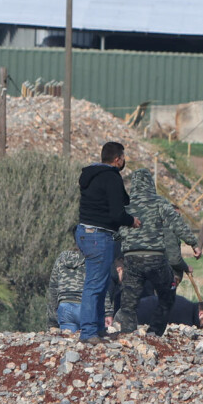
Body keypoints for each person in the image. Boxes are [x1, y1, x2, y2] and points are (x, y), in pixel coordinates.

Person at [114, 168, 200, 337]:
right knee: (167, 296)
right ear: (150, 184)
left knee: (128, 303)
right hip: (156, 259)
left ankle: (128, 335)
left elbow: (115, 232)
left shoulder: (125, 206)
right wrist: (193, 243)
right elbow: (177, 224)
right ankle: (155, 332)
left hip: (131, 259)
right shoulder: (160, 203)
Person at [77, 141, 140, 344]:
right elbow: (116, 212)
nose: (124, 161)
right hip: (99, 235)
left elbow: (119, 200)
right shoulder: (111, 178)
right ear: (117, 159)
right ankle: (88, 332)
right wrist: (132, 221)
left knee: (101, 282)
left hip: (85, 232)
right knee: (95, 284)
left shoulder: (91, 175)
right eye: (123, 157)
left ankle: (97, 328)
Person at [47, 227, 114, 335]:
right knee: (90, 345)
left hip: (65, 307)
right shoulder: (93, 257)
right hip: (87, 307)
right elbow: (100, 286)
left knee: (69, 343)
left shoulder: (61, 258)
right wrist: (108, 312)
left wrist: (52, 320)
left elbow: (53, 289)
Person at [138, 296, 203, 331]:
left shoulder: (186, 304)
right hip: (141, 316)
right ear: (201, 314)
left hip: (141, 303)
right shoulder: (186, 321)